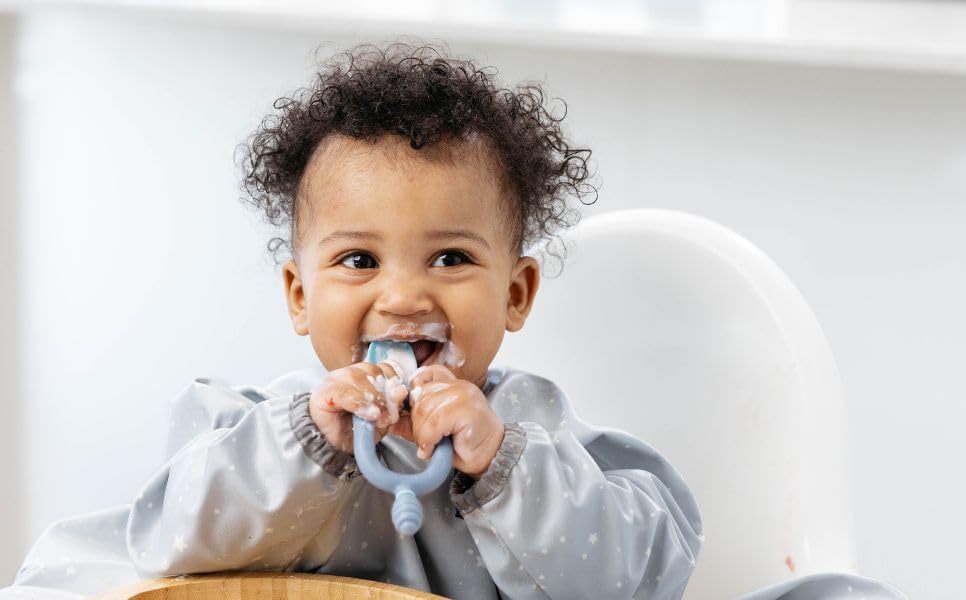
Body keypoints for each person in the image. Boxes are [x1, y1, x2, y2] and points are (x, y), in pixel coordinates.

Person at [2, 42, 703, 599]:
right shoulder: (261, 426)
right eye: (359, 260)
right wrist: (308, 440)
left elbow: (636, 578)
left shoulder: (537, 431)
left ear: (515, 293)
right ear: (299, 296)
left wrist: (501, 467)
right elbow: (170, 539)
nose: (402, 297)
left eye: (451, 256)